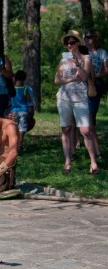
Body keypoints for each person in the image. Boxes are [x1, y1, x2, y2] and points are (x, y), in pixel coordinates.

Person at [54, 30, 98, 174]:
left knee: (85, 130)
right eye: (67, 42)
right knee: (66, 129)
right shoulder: (63, 60)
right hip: (64, 97)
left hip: (80, 98)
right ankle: (67, 161)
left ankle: (93, 162)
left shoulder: (86, 58)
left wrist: (77, 64)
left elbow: (85, 77)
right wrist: (71, 79)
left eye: (72, 42)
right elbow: (57, 80)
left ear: (78, 43)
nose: (69, 45)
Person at [84, 29, 107, 160]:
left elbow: (106, 70)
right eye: (85, 37)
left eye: (89, 37)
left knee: (90, 116)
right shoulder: (83, 51)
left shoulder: (102, 52)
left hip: (95, 84)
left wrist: (94, 76)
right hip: (81, 84)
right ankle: (76, 145)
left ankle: (96, 152)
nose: (87, 39)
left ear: (96, 38)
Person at [10, 70, 34, 151]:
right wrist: (31, 112)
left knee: (14, 128)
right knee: (22, 128)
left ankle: (13, 144)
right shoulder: (26, 89)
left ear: (15, 78)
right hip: (24, 111)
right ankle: (20, 144)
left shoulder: (11, 89)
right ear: (24, 79)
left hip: (13, 111)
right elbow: (29, 101)